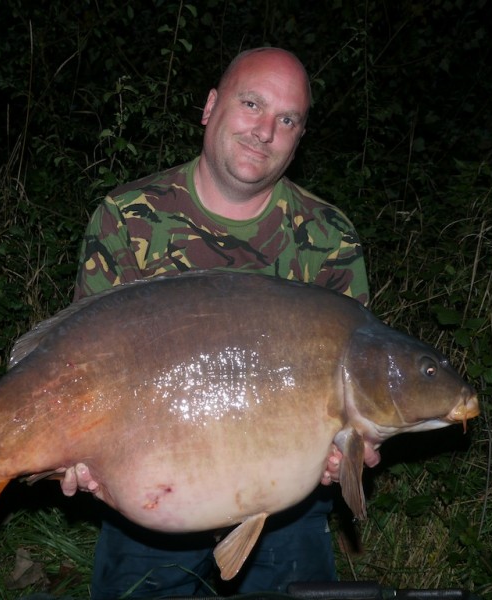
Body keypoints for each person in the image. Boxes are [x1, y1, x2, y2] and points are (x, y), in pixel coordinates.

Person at [61, 47, 378, 598]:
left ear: (299, 138)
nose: (264, 130)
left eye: (287, 119)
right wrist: (75, 455)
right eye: (251, 104)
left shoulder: (329, 236)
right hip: (151, 501)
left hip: (285, 507)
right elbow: (81, 370)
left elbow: (356, 387)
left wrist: (346, 453)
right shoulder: (127, 217)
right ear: (210, 107)